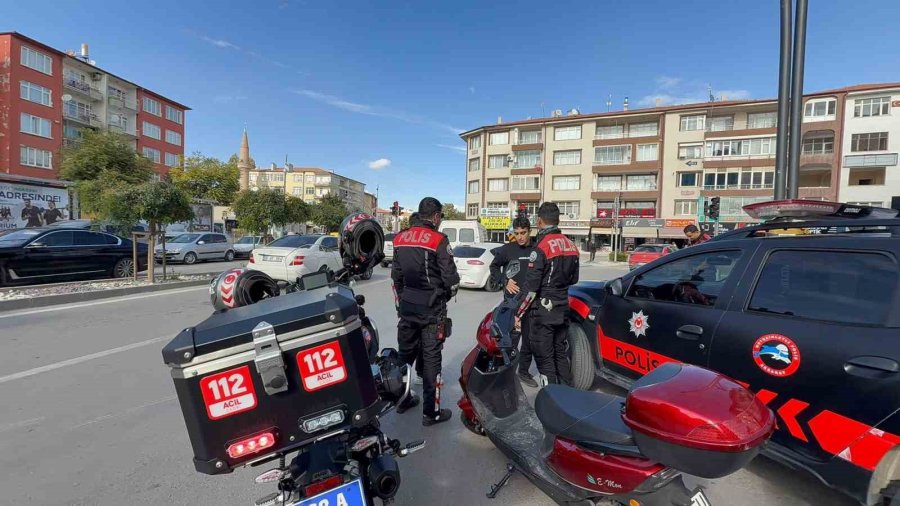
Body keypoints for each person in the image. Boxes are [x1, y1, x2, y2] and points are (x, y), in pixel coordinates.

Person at [391, 197, 460, 426]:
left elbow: (396, 278)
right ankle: (431, 413)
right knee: (431, 361)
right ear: (436, 216)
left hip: (408, 307)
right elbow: (451, 279)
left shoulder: (400, 238)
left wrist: (404, 300)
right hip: (432, 310)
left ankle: (402, 400)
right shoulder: (439, 240)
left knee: (404, 356)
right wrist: (443, 295)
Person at [515, 203, 579, 385]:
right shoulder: (571, 245)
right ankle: (568, 392)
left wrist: (518, 313)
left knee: (545, 358)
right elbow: (573, 279)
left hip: (543, 311)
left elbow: (531, 287)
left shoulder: (541, 247)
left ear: (540, 221)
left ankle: (551, 400)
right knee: (560, 352)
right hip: (563, 308)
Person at [489, 216, 538, 388]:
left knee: (530, 340)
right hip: (512, 302)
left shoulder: (537, 248)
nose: (520, 237)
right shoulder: (507, 249)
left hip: (532, 302)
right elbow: (493, 267)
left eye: (523, 233)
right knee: (510, 339)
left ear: (529, 231)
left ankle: (523, 372)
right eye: (516, 233)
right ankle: (506, 372)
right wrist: (504, 280)